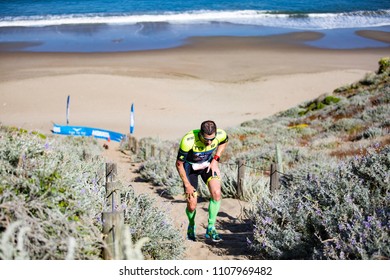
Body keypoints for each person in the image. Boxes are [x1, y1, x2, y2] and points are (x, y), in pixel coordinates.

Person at [175, 120, 228, 242]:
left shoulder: (221, 134)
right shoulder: (188, 140)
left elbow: (224, 142)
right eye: (206, 139)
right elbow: (179, 164)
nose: (209, 142)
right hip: (190, 167)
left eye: (212, 139)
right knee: (192, 205)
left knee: (217, 193)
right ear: (200, 134)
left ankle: (211, 228)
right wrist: (187, 184)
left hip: (207, 165)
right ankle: (191, 225)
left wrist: (215, 160)